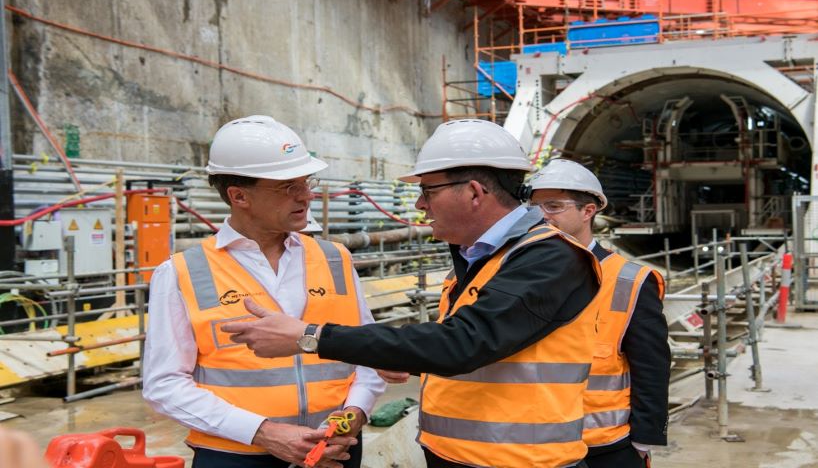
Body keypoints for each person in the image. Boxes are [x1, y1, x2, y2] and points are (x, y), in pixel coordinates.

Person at [223, 119, 603, 468]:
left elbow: (463, 343)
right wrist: (406, 355)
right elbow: (484, 343)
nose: (420, 205)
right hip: (460, 456)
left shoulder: (549, 257)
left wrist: (310, 337)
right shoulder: (481, 255)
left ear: (473, 192)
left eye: (427, 191)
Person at [142, 115, 385, 468]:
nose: (307, 194)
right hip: (235, 456)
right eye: (288, 186)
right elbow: (163, 385)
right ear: (239, 196)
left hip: (334, 451)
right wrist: (263, 432)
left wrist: (357, 411)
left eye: (306, 181)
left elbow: (368, 351)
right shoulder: (182, 273)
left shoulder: (335, 259)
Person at [529, 159, 670, 468]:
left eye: (553, 206)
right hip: (533, 441)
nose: (540, 215)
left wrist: (645, 435)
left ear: (588, 211)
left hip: (603, 444)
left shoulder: (629, 279)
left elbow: (651, 364)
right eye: (534, 206)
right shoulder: (518, 273)